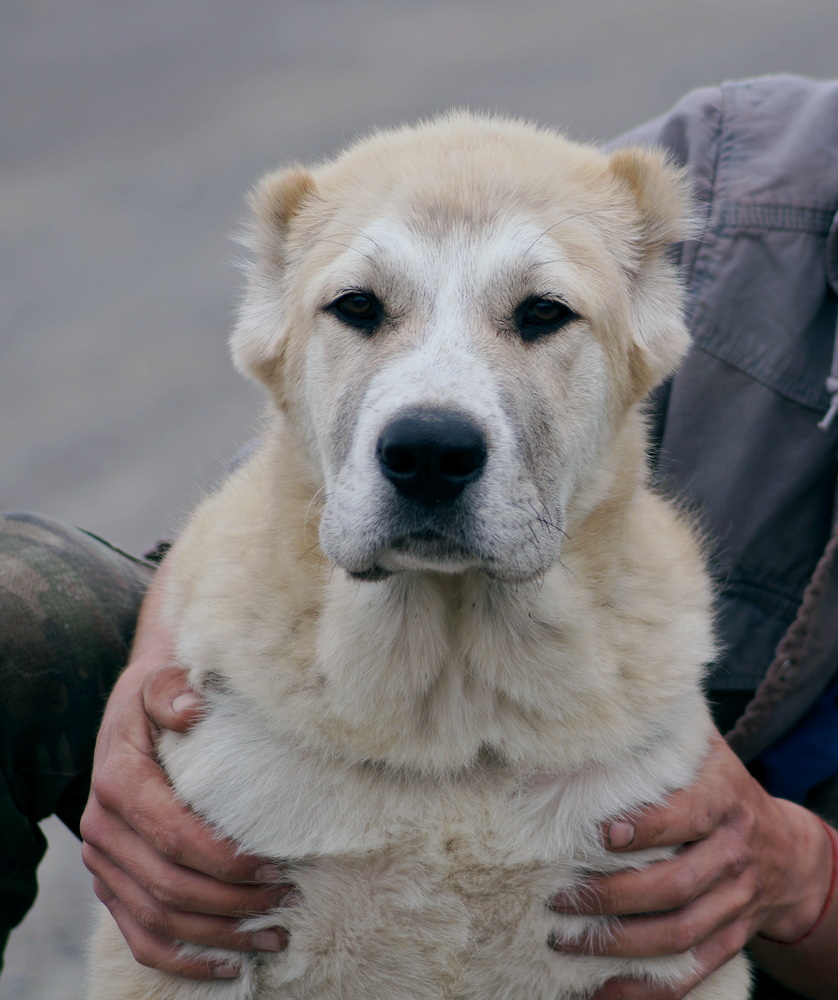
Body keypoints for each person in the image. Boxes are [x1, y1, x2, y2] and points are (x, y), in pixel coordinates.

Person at [2, 74, 837, 999]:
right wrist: (153, 671)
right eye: (361, 309)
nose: (433, 418)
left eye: (539, 315)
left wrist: (804, 877)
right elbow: (288, 445)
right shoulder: (747, 170)